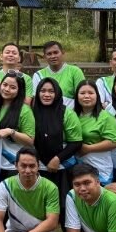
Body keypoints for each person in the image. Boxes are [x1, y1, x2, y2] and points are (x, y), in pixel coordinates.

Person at [26, 78, 82, 221]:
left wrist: (57, 159)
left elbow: (76, 142)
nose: (47, 94)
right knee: (38, 207)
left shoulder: (67, 113)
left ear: (57, 94)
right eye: (43, 91)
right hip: (36, 169)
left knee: (64, 208)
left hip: (61, 168)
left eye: (51, 91)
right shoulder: (29, 113)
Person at [0, 72, 35, 182]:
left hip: (12, 164)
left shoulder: (25, 110)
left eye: (13, 87)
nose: (7, 89)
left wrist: (11, 132)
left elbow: (30, 141)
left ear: (20, 90)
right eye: (5, 85)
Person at [74, 80, 116, 185]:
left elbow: (115, 141)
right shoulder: (71, 115)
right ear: (77, 96)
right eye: (82, 93)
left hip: (99, 167)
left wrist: (88, 149)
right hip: (77, 166)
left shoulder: (105, 117)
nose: (86, 96)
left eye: (91, 93)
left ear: (97, 96)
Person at [32, 41, 83, 108]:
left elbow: (82, 96)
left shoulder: (75, 71)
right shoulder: (38, 75)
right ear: (44, 57)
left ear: (62, 53)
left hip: (70, 114)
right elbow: (35, 101)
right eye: (49, 54)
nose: (53, 56)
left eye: (56, 52)